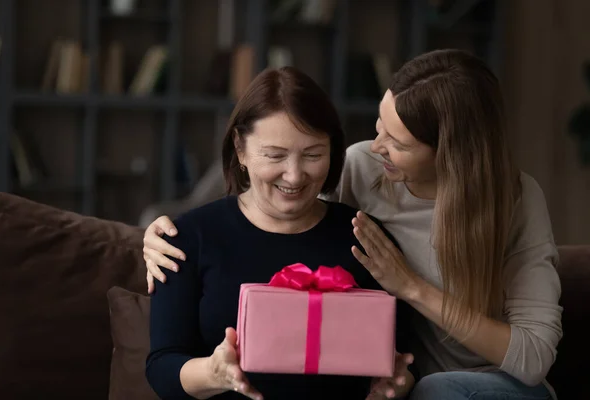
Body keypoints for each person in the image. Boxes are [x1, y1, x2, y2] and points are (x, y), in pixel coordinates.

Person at [144, 49, 564, 400]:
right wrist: (151, 234)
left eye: (397, 143)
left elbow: (532, 357)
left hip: (489, 387)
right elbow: (280, 215)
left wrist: (410, 289)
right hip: (416, 386)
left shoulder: (514, 200)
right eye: (380, 126)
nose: (376, 146)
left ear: (449, 155)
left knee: (437, 392)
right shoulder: (364, 168)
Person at [145, 66, 415, 400]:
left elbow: (405, 360)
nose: (294, 175)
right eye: (275, 155)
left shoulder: (366, 239)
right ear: (240, 149)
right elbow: (162, 367)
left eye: (313, 155)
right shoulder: (186, 238)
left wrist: (396, 386)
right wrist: (214, 372)